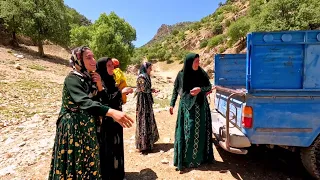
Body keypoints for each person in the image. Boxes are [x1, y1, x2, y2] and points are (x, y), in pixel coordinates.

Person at [48, 46, 133, 179]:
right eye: (88, 57)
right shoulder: (72, 79)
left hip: (88, 127)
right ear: (78, 60)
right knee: (74, 164)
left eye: (93, 57)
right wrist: (112, 112)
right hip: (73, 129)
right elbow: (85, 102)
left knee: (88, 163)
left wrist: (99, 85)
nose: (93, 60)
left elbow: (102, 100)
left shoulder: (89, 78)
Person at [171, 53, 214, 172]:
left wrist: (200, 89)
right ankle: (186, 160)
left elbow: (209, 87)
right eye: (195, 61)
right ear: (189, 63)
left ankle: (199, 159)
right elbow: (176, 89)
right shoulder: (181, 75)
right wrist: (171, 104)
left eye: (198, 61)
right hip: (186, 108)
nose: (198, 63)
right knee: (188, 131)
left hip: (201, 107)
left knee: (200, 132)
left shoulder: (201, 73)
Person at [95, 57, 133, 180]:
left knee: (117, 145)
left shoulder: (111, 80)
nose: (112, 68)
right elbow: (104, 100)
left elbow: (114, 97)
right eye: (109, 66)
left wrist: (122, 92)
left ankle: (118, 174)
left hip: (117, 120)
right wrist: (121, 92)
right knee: (108, 148)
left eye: (112, 65)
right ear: (102, 67)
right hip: (107, 122)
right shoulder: (99, 82)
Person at [135, 62, 159, 154]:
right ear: (145, 68)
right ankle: (143, 144)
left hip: (147, 101)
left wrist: (152, 90)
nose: (151, 70)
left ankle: (149, 142)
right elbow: (143, 89)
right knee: (143, 120)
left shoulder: (146, 76)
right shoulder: (142, 77)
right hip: (143, 102)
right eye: (149, 68)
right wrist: (151, 90)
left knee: (148, 119)